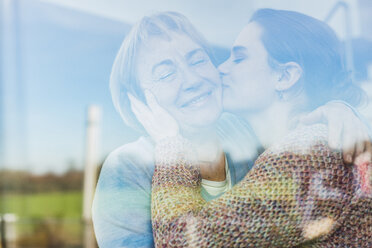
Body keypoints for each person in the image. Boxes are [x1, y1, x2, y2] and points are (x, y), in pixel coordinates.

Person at [92, 11, 371, 248]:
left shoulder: (249, 138)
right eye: (166, 74)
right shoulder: (128, 166)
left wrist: (339, 109)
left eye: (198, 59)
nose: (193, 80)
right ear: (137, 101)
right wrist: (340, 108)